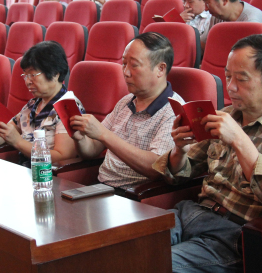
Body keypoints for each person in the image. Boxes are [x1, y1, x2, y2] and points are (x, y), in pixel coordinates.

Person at [151, 34, 262, 273]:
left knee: (143, 272)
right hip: (190, 213)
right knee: (117, 254)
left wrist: (240, 141)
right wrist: (179, 149)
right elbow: (179, 175)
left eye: (241, 79)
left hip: (234, 236)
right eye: (228, 76)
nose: (230, 87)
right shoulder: (227, 115)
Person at [70, 32, 184, 188]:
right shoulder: (126, 101)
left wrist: (104, 135)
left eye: (134, 65)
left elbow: (156, 168)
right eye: (124, 64)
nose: (126, 72)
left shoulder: (173, 111)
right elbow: (93, 149)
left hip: (133, 196)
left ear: (160, 69)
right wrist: (80, 139)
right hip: (100, 188)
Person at [0, 41, 85, 166]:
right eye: (25, 75)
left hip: (47, 174)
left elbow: (62, 158)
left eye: (33, 75)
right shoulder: (32, 104)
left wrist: (18, 142)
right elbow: (6, 136)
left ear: (55, 74)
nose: (27, 81)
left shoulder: (68, 106)